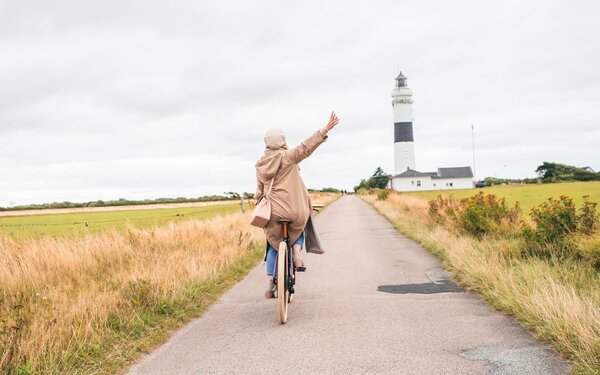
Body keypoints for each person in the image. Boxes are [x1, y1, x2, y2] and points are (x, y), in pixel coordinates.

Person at [255, 112, 340, 298]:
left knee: (272, 244)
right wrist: (324, 130)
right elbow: (305, 147)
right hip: (294, 209)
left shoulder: (260, 165)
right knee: (299, 227)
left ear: (266, 143)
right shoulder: (288, 157)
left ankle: (271, 284)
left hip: (273, 213)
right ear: (283, 141)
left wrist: (257, 204)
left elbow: (259, 192)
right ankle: (295, 250)